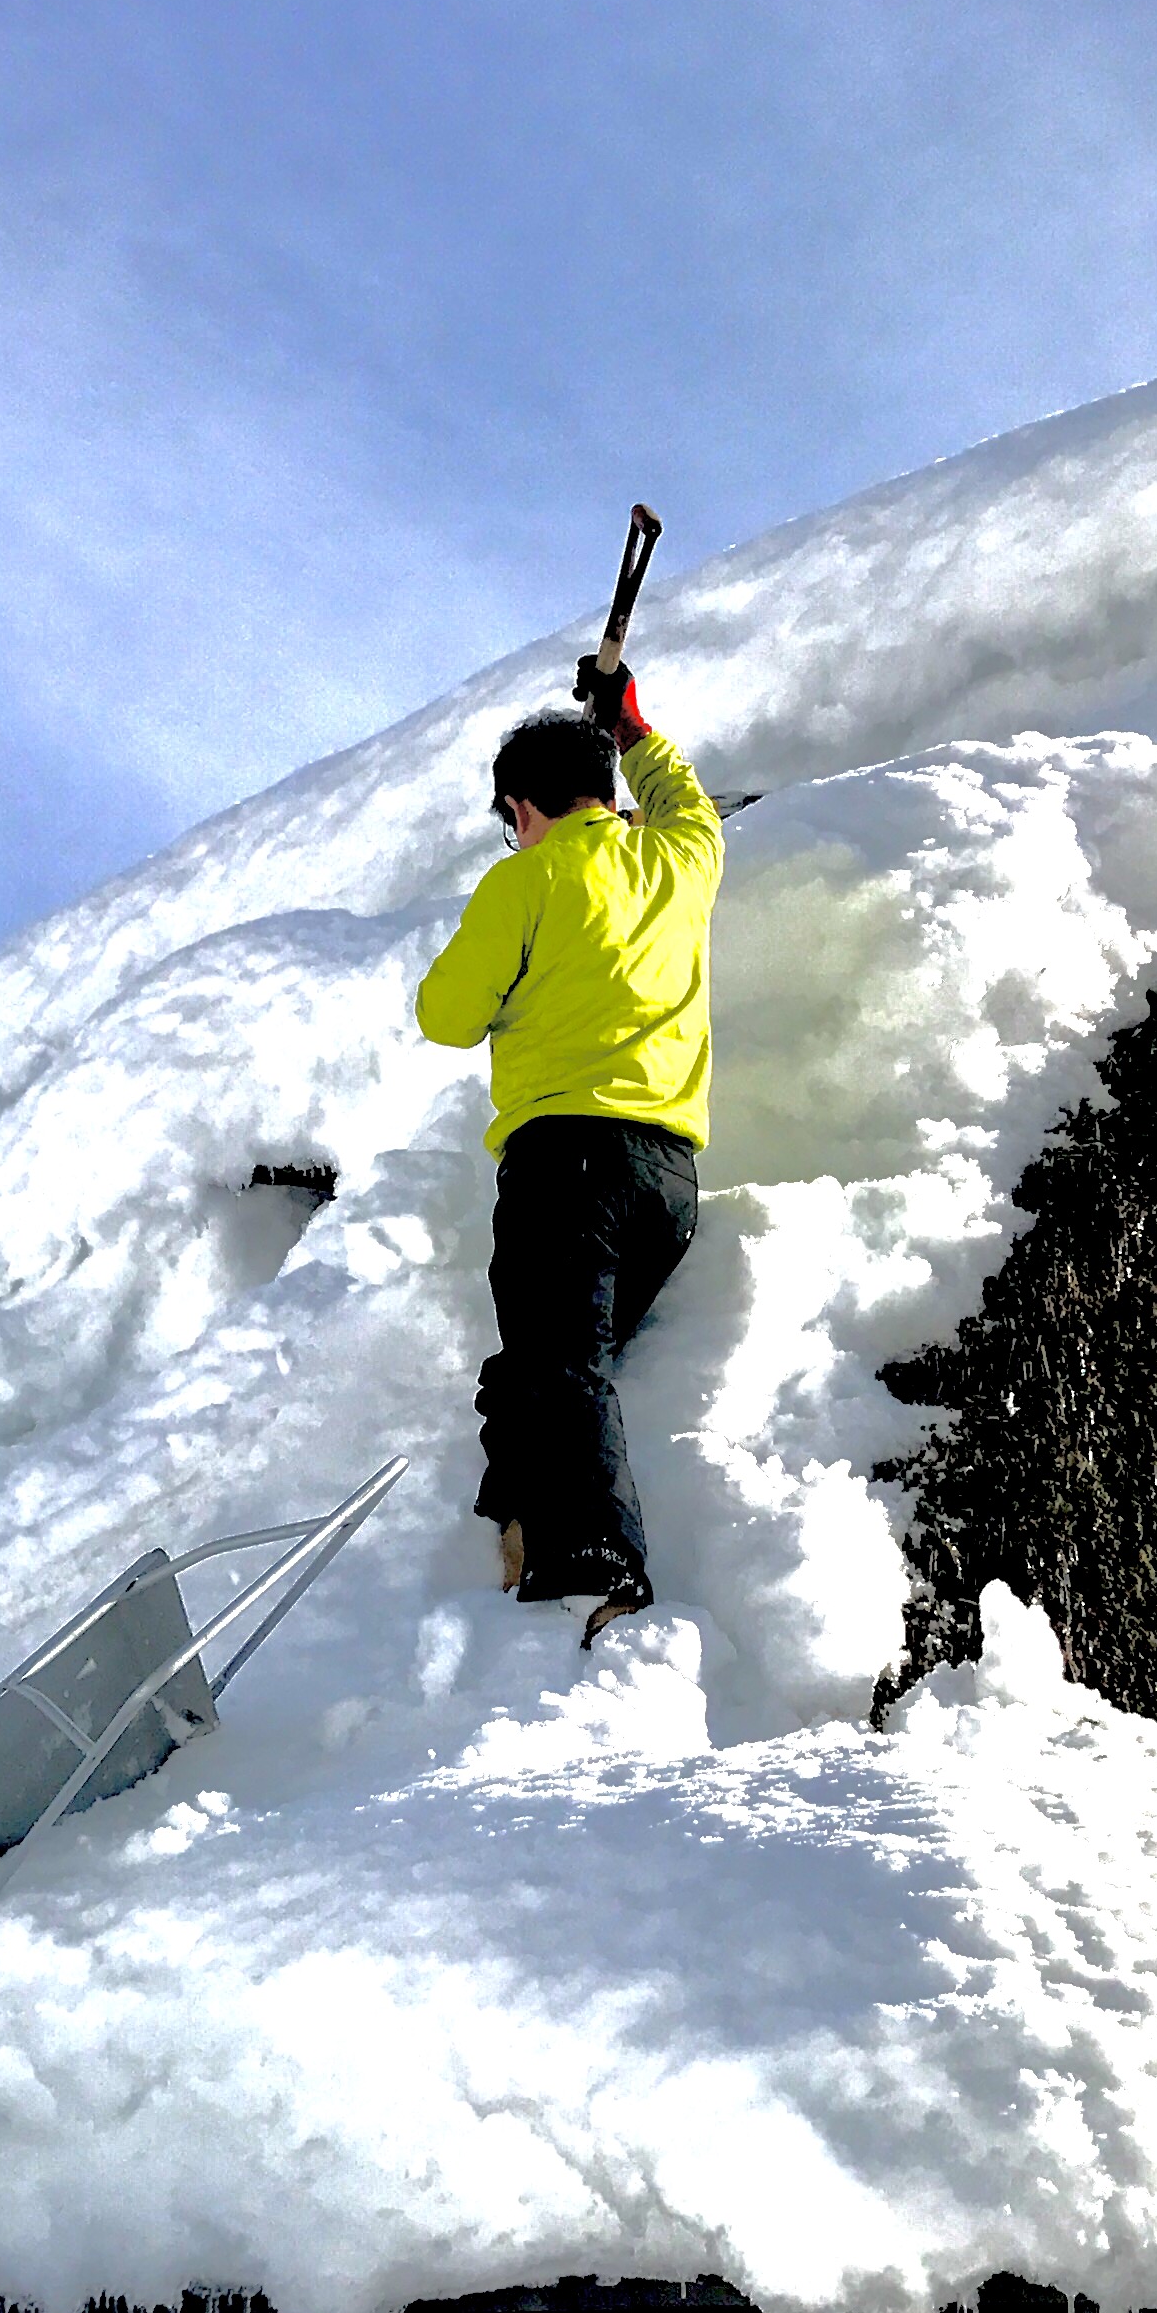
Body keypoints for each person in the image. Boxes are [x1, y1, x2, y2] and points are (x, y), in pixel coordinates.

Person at [414, 658, 723, 1644]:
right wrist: (633, 726)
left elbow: (445, 1017)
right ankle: (516, 1531)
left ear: (520, 805)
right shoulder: (680, 863)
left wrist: (516, 986)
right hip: (667, 1182)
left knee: (561, 1367)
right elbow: (685, 802)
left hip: (566, 1165)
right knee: (536, 1371)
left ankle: (596, 1570)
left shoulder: (529, 879)